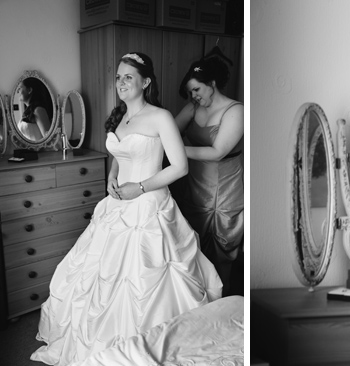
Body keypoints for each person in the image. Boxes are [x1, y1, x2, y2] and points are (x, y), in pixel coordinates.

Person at [30, 52, 222, 365]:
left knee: (142, 280)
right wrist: (112, 176)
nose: (121, 83)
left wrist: (141, 187)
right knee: (96, 278)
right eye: (118, 77)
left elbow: (180, 166)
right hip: (116, 205)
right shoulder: (120, 117)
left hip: (148, 206)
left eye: (128, 77)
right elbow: (121, 156)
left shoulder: (160, 117)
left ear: (146, 82)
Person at [173, 57, 244, 297]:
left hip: (223, 189)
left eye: (196, 89)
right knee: (193, 250)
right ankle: (198, 302)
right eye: (190, 91)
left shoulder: (236, 111)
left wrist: (176, 150)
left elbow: (218, 152)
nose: (193, 95)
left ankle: (221, 304)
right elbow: (169, 130)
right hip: (194, 185)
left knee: (221, 253)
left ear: (212, 82)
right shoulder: (193, 108)